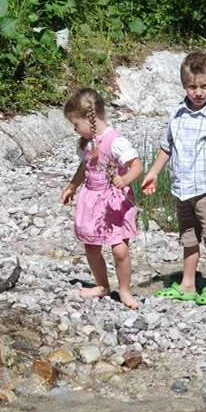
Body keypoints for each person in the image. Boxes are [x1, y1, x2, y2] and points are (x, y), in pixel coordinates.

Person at [140, 51, 206, 305]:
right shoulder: (177, 114)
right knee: (188, 236)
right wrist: (153, 173)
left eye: (204, 86)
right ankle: (188, 284)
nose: (198, 92)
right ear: (184, 85)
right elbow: (166, 147)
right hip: (182, 188)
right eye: (192, 86)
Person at [60, 88, 144, 309]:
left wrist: (125, 180)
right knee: (92, 246)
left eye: (76, 125)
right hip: (92, 199)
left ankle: (124, 290)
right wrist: (72, 186)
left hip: (114, 201)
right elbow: (84, 168)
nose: (75, 130)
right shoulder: (87, 143)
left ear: (90, 118)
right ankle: (102, 285)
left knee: (119, 249)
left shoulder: (115, 141)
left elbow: (137, 166)